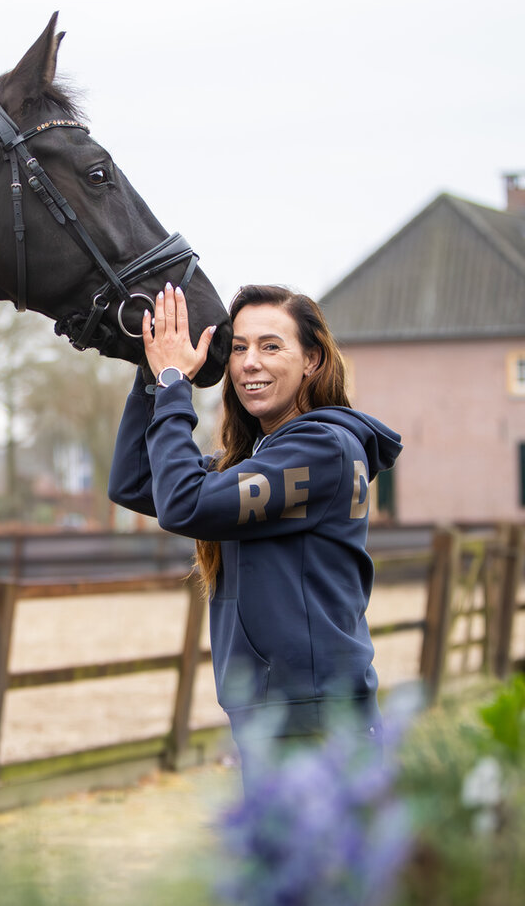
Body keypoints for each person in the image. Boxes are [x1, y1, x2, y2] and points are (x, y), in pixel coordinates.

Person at [108, 282, 401, 771]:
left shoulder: (321, 449)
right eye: (239, 348)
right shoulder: (265, 458)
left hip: (314, 718)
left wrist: (175, 382)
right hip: (279, 714)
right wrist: (152, 372)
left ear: (312, 360)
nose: (249, 362)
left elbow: (183, 504)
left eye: (270, 346)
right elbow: (135, 481)